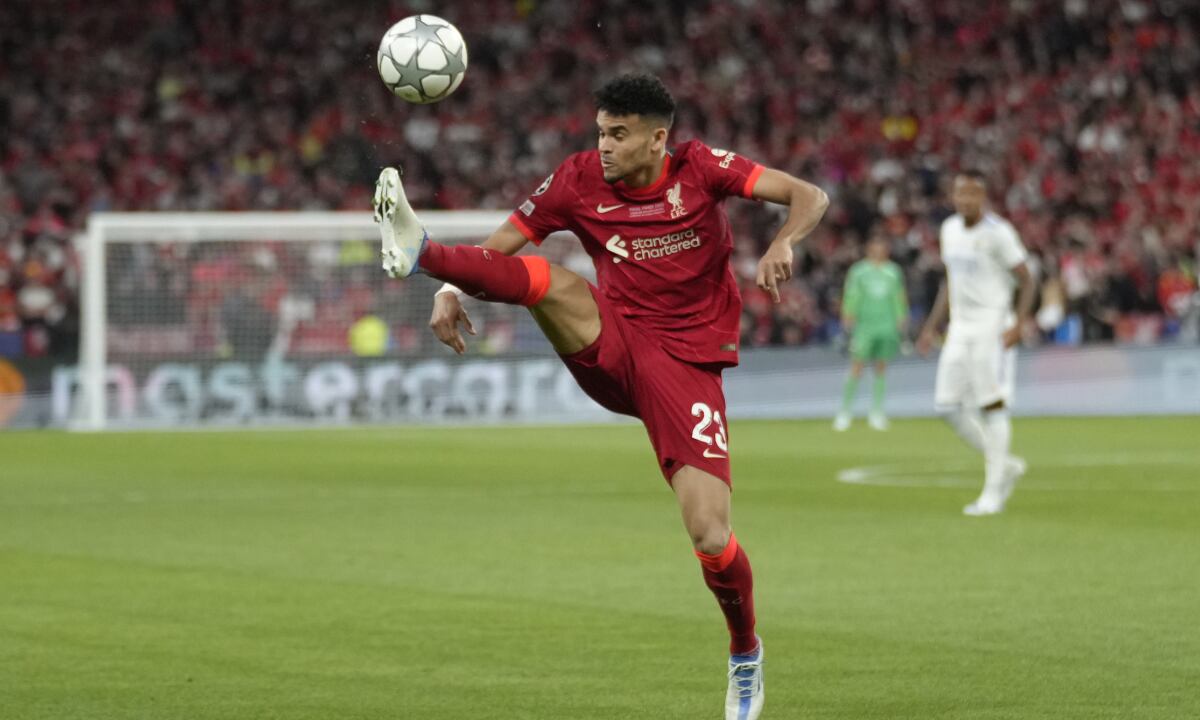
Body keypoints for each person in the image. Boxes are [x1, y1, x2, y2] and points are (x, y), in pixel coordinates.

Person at [374, 73, 828, 720]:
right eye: (600, 132)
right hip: (613, 341)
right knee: (552, 281)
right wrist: (449, 290)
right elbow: (505, 243)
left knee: (709, 533)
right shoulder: (577, 179)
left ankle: (744, 653)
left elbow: (807, 194)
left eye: (618, 134)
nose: (605, 145)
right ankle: (421, 253)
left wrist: (786, 239)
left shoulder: (702, 169)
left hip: (686, 366)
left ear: (657, 138)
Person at [917, 170, 1036, 516]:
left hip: (993, 327)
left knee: (992, 406)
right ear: (953, 196)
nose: (966, 200)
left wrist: (1020, 322)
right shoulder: (949, 230)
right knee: (946, 407)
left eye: (973, 194)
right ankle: (1006, 465)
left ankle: (993, 493)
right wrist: (930, 328)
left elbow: (1027, 279)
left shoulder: (999, 234)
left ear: (983, 197)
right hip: (959, 329)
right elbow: (948, 283)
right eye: (960, 194)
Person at [833, 235, 909, 431]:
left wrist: (902, 318)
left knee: (881, 367)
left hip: (887, 325)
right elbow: (851, 294)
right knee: (857, 366)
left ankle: (876, 412)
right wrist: (847, 316)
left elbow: (898, 296)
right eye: (874, 247)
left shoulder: (893, 271)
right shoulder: (859, 271)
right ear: (868, 249)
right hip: (864, 326)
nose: (878, 251)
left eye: (881, 247)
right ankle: (845, 412)